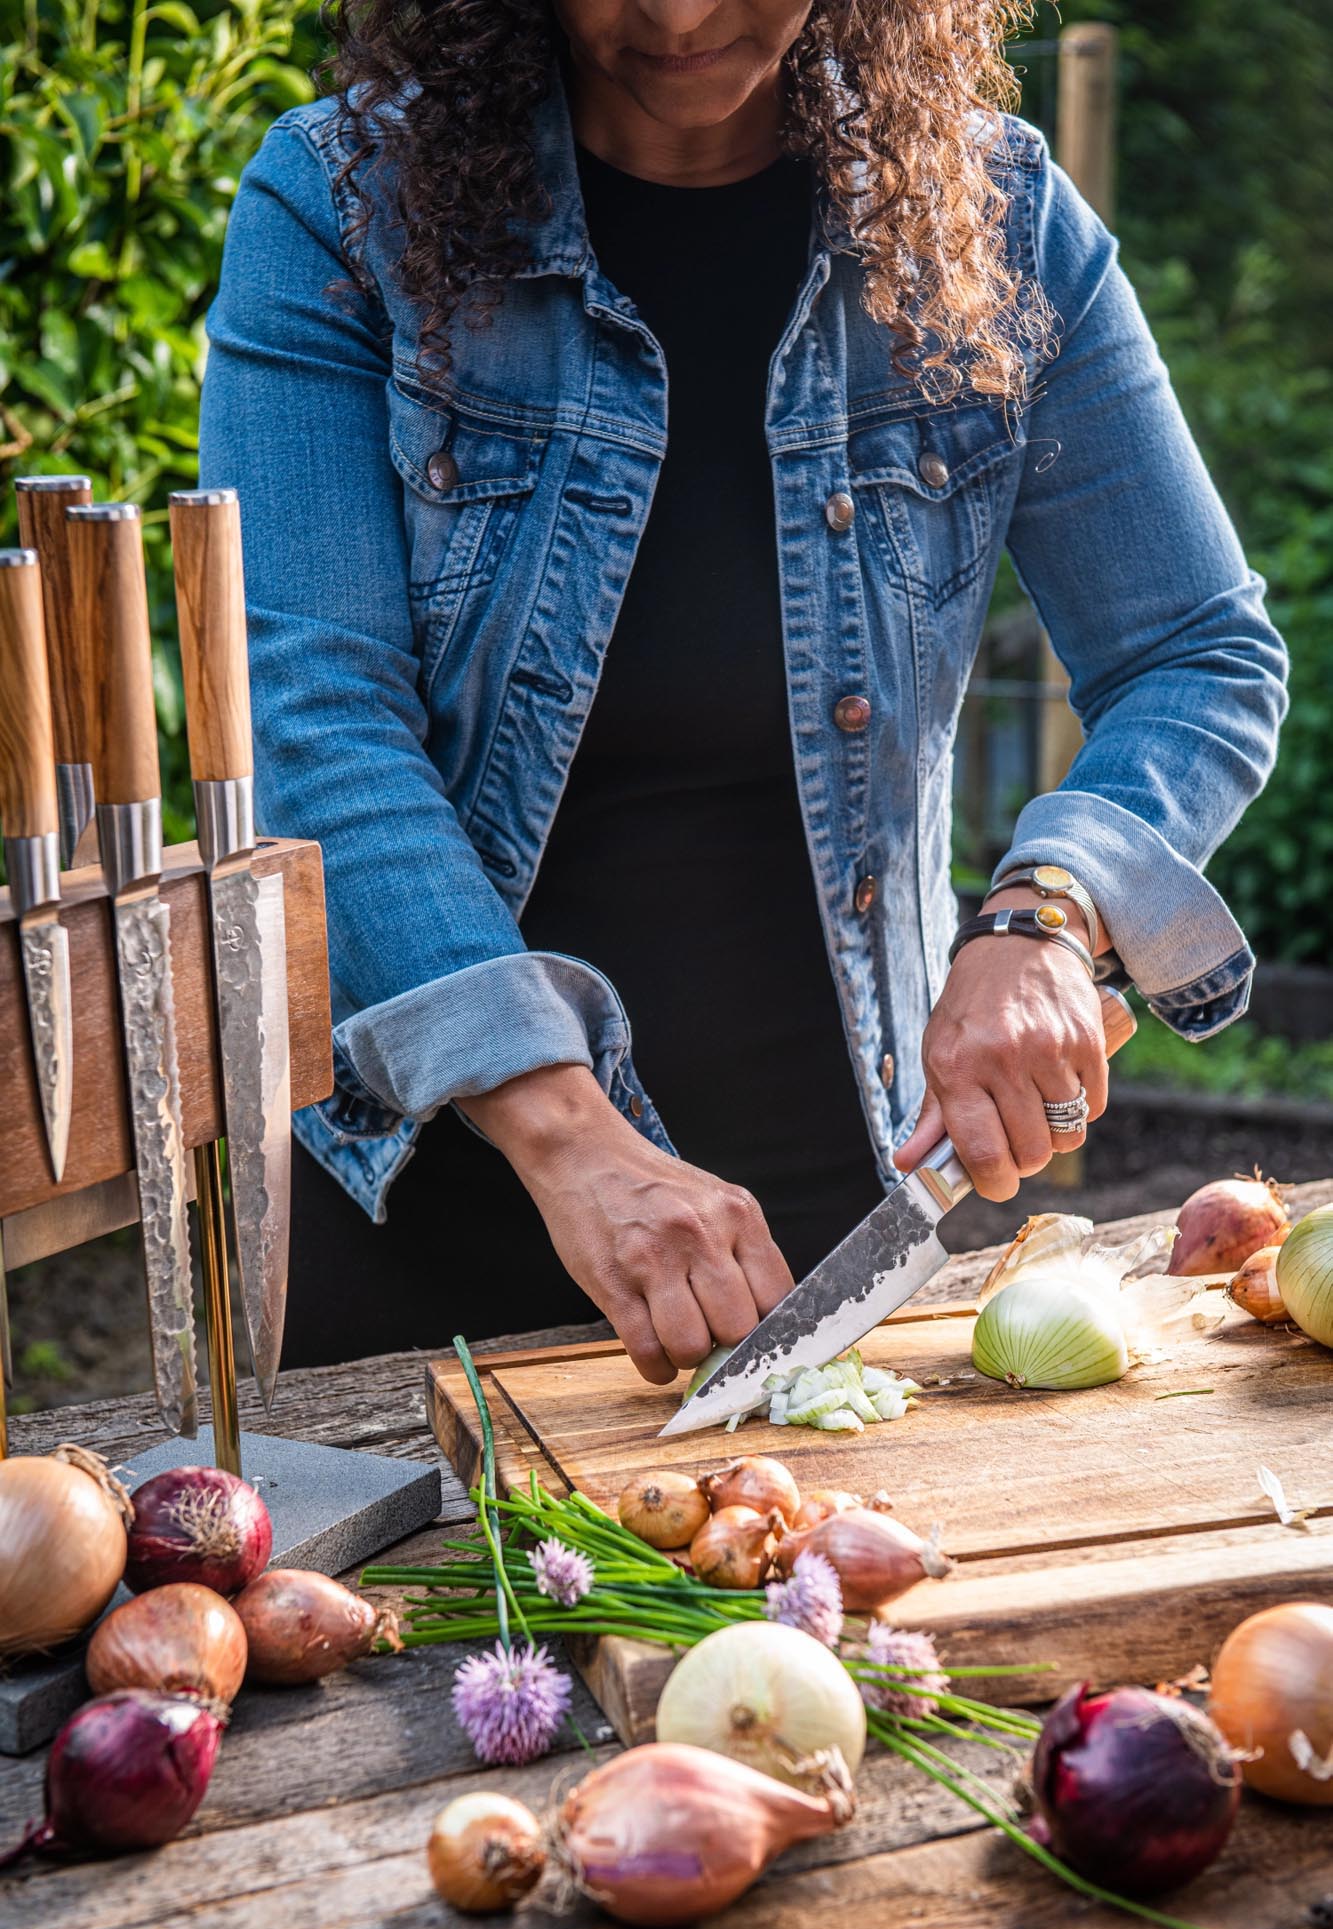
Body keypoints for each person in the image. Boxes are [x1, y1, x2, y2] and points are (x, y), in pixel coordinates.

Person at [199, 0, 1287, 1382]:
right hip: (431, 1194)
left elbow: (1195, 650)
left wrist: (1048, 912)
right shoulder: (346, 208)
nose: (678, 13)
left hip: (843, 1218)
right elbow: (312, 717)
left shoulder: (995, 217)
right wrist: (567, 1134)